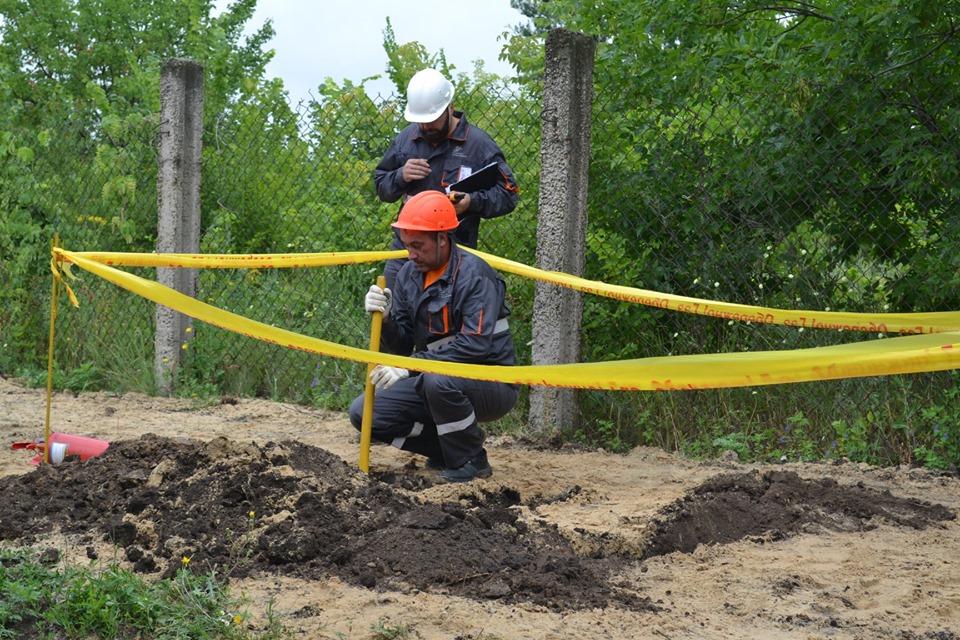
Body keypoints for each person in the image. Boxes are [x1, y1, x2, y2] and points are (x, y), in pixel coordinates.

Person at [349, 190, 518, 483]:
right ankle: (447, 450)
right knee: (364, 413)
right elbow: (401, 346)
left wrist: (411, 367)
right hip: (433, 378)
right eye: (406, 245)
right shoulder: (407, 276)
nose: (411, 254)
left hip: (492, 382)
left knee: (435, 379)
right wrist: (386, 319)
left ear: (443, 238)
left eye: (418, 246)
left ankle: (471, 460)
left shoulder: (475, 275)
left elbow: (474, 345)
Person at [374, 68, 519, 290]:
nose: (425, 127)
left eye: (431, 120)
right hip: (406, 252)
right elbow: (381, 187)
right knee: (393, 316)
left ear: (450, 107)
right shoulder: (405, 140)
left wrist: (472, 201)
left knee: (444, 321)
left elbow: (509, 195)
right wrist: (399, 175)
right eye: (420, 121)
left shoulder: (479, 145)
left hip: (455, 254)